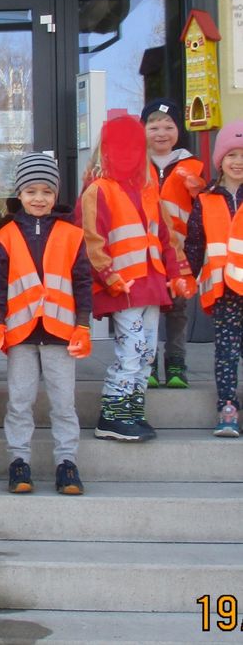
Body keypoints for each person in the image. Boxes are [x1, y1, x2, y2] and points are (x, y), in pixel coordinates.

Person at [0, 153, 92, 495]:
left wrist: (83, 325)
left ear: (55, 195)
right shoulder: (5, 234)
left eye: (46, 191)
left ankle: (66, 463)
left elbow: (82, 281)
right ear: (19, 194)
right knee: (19, 401)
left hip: (61, 335)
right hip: (21, 334)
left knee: (63, 403)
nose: (39, 198)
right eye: (31, 191)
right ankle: (19, 462)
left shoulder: (72, 234)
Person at [79, 115, 195, 443]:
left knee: (145, 354)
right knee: (131, 351)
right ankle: (113, 415)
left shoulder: (147, 190)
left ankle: (131, 410)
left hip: (152, 285)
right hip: (124, 287)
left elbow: (167, 238)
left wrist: (177, 273)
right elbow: (91, 240)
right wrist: (108, 277)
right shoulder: (99, 190)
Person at [141, 98, 205, 388]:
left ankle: (177, 363)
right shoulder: (136, 165)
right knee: (149, 309)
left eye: (168, 126)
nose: (161, 132)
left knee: (178, 310)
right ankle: (149, 362)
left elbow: (202, 214)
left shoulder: (194, 166)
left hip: (181, 253)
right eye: (153, 126)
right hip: (145, 254)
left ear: (178, 130)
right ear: (143, 130)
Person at [184, 120, 243, 436]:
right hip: (224, 290)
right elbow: (195, 241)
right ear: (221, 160)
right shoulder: (206, 199)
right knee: (226, 351)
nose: (238, 162)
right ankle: (227, 407)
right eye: (232, 154)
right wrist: (189, 276)